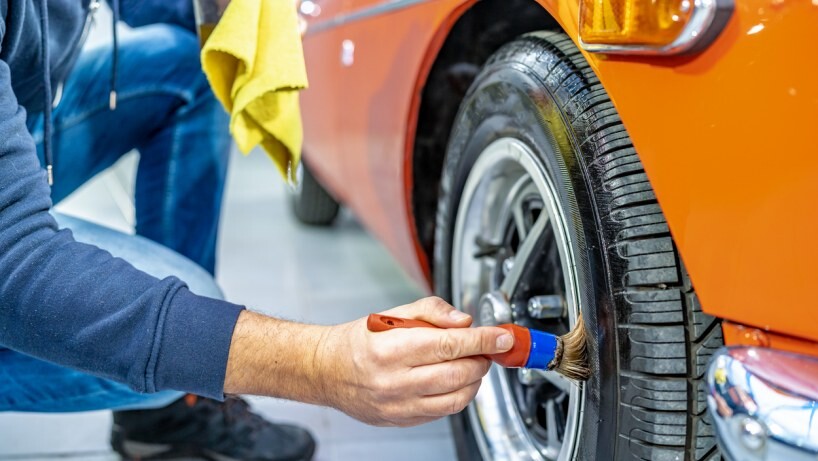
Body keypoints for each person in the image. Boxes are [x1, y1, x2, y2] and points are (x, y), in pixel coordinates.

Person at [0, 1, 515, 460]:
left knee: (193, 68)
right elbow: (14, 265)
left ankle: (163, 415)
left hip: (23, 128)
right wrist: (320, 363)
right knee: (194, 313)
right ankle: (169, 388)